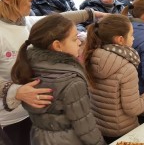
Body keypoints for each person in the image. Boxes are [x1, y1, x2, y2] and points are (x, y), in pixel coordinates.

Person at [0, 0, 104, 145]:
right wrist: (14, 91)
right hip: (11, 120)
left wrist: (91, 14)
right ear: (7, 0)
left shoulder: (22, 21)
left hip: (35, 114)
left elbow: (55, 19)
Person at [11, 14, 106, 145]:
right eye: (74, 39)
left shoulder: (28, 66)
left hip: (38, 137)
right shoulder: (72, 82)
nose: (79, 42)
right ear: (57, 45)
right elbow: (85, 127)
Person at [83, 14, 144, 144]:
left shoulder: (91, 58)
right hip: (123, 130)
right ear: (120, 40)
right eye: (131, 34)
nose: (134, 38)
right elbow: (133, 108)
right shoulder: (126, 68)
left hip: (99, 126)